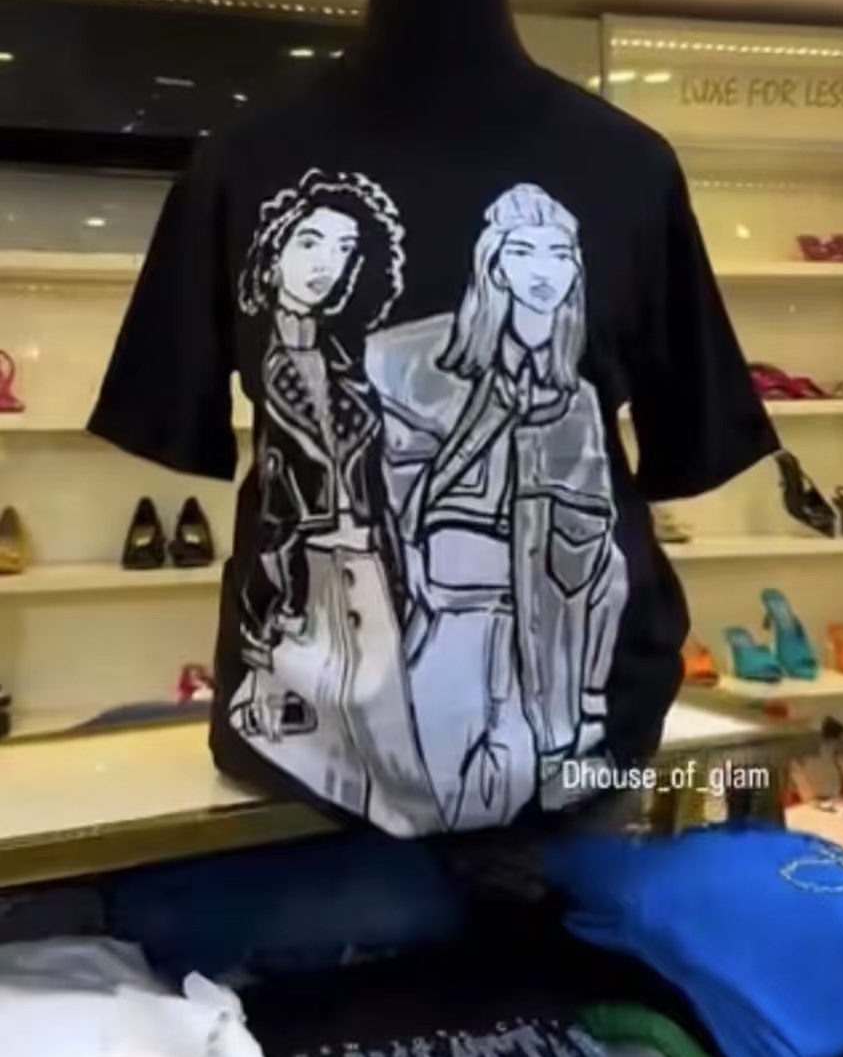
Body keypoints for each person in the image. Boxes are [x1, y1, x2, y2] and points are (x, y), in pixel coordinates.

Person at [366, 183, 629, 830]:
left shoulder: (576, 399)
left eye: (560, 254)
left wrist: (587, 698)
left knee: (509, 794)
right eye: (524, 251)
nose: (544, 270)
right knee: (434, 787)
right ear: (496, 263)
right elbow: (394, 486)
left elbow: (597, 535)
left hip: (539, 620)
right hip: (451, 603)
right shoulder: (414, 359)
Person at [228, 168, 434, 834]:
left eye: (344, 249)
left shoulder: (346, 364)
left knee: (391, 730)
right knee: (313, 738)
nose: (326, 263)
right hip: (301, 564)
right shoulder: (262, 353)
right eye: (310, 242)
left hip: (364, 554)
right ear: (274, 249)